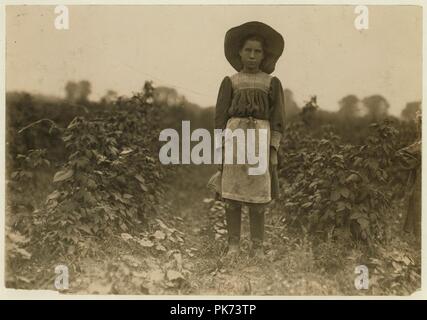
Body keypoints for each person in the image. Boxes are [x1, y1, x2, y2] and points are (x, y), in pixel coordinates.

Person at [212, 21, 285, 259]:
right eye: (248, 50)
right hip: (234, 138)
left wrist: (273, 150)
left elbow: (277, 118)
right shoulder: (230, 81)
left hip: (260, 140)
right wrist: (220, 148)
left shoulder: (271, 83)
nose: (252, 56)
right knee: (232, 193)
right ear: (239, 53)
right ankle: (233, 245)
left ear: (264, 55)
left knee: (257, 195)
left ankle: (257, 247)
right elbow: (220, 117)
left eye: (258, 51)